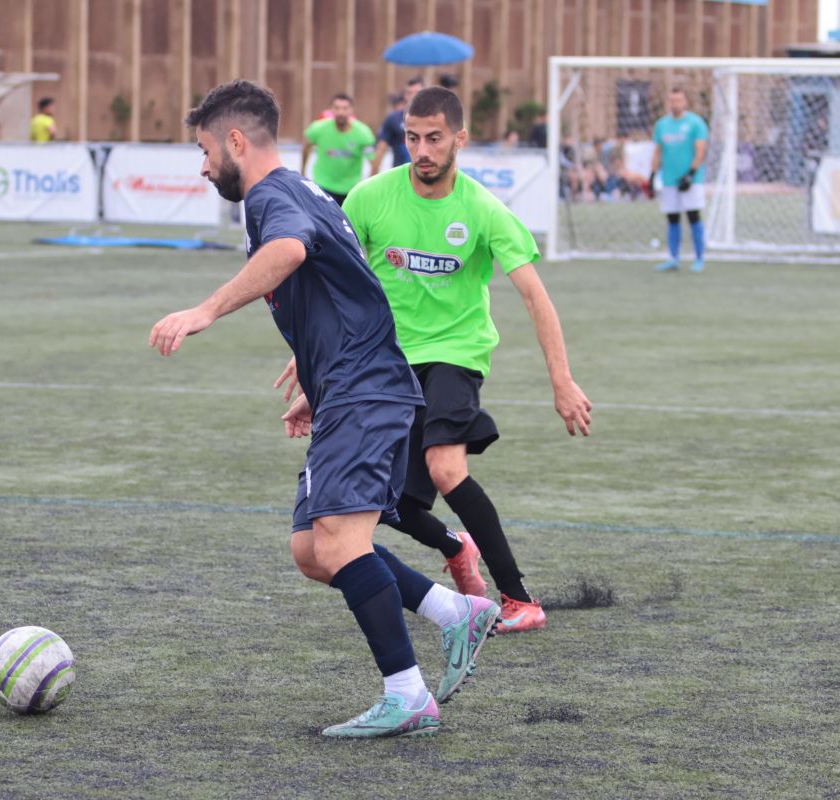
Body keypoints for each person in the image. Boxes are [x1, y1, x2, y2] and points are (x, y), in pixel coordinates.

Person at [150, 80, 500, 739]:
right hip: (350, 387)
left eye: (204, 151)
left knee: (340, 541)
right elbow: (350, 286)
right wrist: (316, 376)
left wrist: (204, 311)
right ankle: (456, 613)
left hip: (366, 391)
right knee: (313, 549)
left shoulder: (270, 197)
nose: (203, 167)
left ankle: (407, 695)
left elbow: (289, 252)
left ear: (235, 141)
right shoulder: (304, 191)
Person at [276, 87, 592, 634]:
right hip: (386, 362)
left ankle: (519, 599)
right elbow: (332, 284)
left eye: (435, 139)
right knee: (388, 502)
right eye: (413, 138)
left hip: (455, 353)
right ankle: (455, 546)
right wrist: (309, 361)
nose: (422, 150)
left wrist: (561, 382)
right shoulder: (370, 198)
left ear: (459, 140)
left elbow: (535, 297)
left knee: (446, 468)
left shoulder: (483, 209)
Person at [651, 88, 708, 272]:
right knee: (672, 218)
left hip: (691, 179)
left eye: (678, 100)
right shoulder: (662, 124)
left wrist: (691, 174)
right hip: (669, 179)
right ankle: (673, 258)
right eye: (672, 100)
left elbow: (700, 150)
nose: (675, 104)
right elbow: (658, 151)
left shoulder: (695, 123)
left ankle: (699, 258)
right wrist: (653, 174)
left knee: (693, 216)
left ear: (686, 102)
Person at [300, 93, 375, 205]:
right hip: (324, 185)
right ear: (331, 110)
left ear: (351, 110)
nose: (341, 112)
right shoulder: (318, 129)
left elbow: (373, 161)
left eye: (345, 108)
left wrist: (369, 185)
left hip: (351, 189)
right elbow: (306, 145)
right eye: (337, 108)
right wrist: (302, 171)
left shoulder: (363, 134)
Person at [371, 77, 424, 175]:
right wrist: (372, 178)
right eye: (409, 93)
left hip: (426, 176)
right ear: (405, 95)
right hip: (401, 176)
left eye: (417, 92)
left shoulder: (435, 119)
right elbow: (380, 150)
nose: (413, 96)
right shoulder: (393, 119)